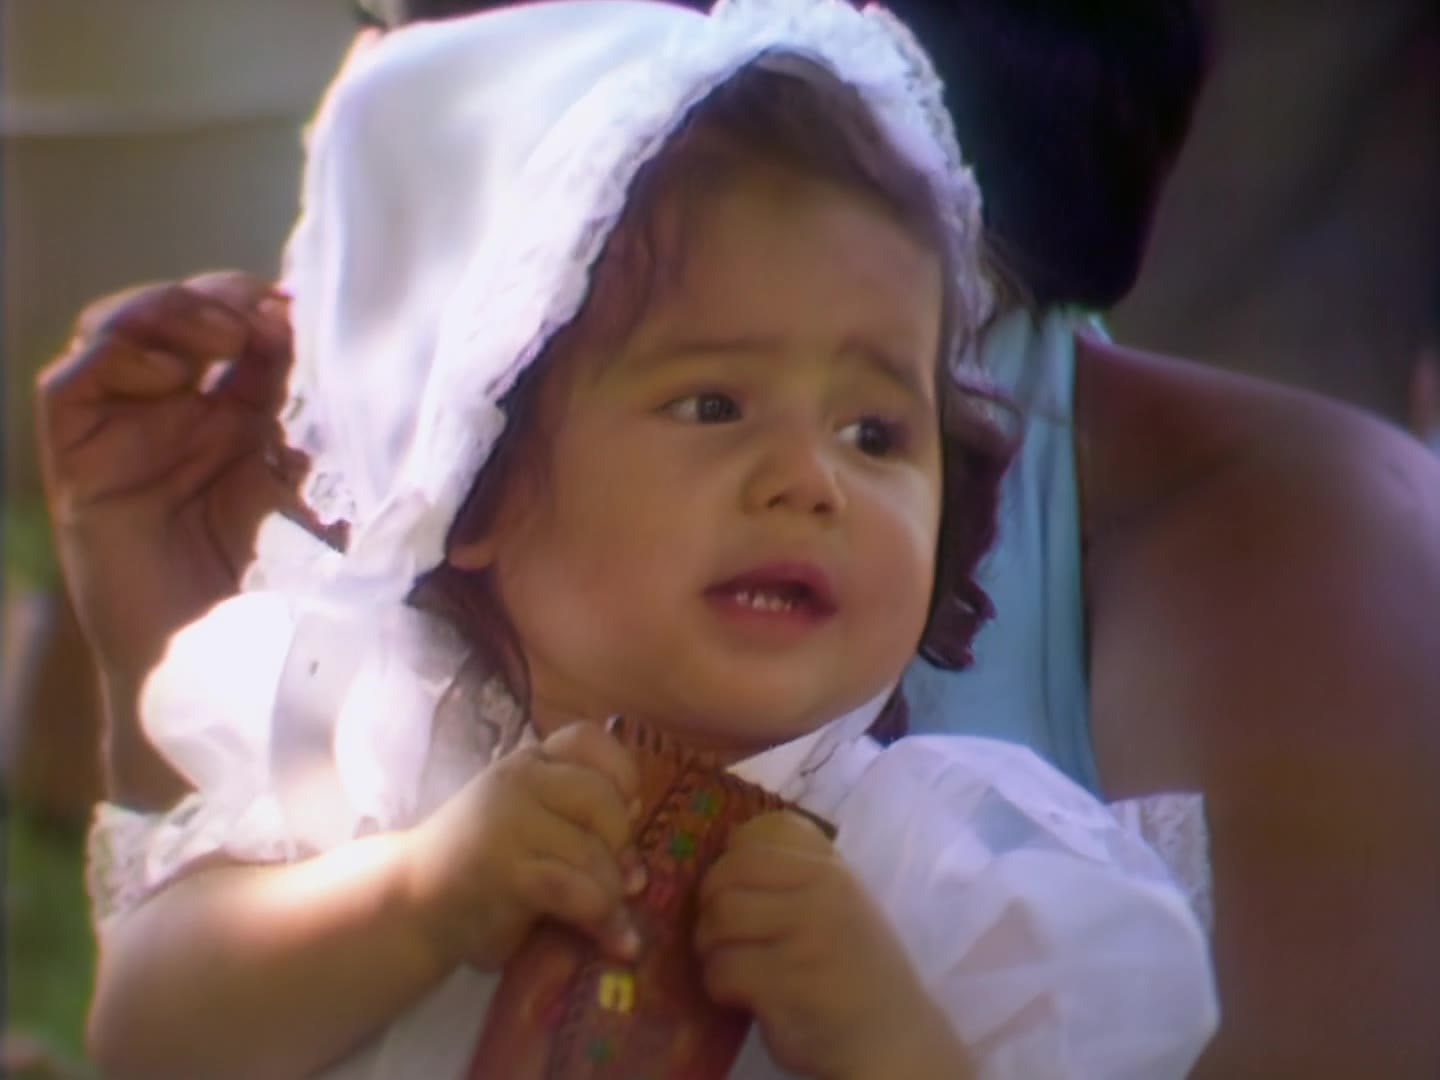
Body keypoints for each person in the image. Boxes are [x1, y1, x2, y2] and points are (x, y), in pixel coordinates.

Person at [34, 0, 1440, 1075]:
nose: (809, 482)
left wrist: (884, 1034)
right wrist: (407, 900)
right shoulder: (367, 754)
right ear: (479, 484)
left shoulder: (947, 867)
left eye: (875, 434)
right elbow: (151, 1034)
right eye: (712, 405)